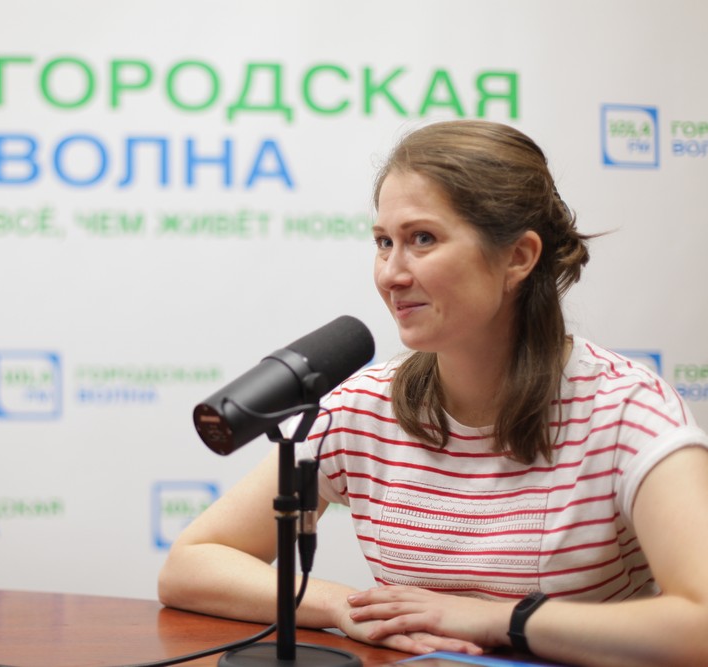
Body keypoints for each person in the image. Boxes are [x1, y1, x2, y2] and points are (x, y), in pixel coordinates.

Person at [158, 120, 708, 667]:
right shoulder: (363, 408)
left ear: (518, 256)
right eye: (384, 243)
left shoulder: (626, 410)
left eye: (422, 239)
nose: (391, 275)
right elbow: (191, 564)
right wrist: (346, 607)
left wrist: (499, 619)